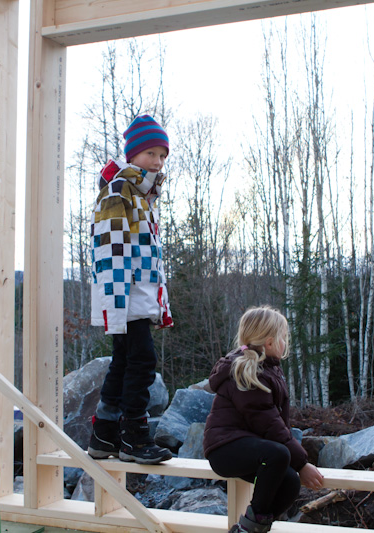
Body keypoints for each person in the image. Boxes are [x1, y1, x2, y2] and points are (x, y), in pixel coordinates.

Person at [87, 114, 174, 465]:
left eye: (162, 155)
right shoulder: (120, 190)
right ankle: (134, 437)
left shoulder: (142, 195)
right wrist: (117, 303)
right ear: (133, 154)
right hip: (125, 293)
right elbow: (110, 249)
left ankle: (104, 434)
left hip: (137, 293)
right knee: (142, 361)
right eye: (151, 153)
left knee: (124, 361)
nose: (157, 161)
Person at [203, 306, 324, 533]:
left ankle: (252, 528)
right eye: (283, 338)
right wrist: (302, 463)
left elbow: (278, 423)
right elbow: (269, 424)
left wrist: (296, 467)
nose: (285, 343)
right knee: (278, 454)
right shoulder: (248, 372)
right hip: (224, 448)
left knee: (290, 482)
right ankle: (248, 529)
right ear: (269, 343)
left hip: (249, 446)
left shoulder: (269, 369)